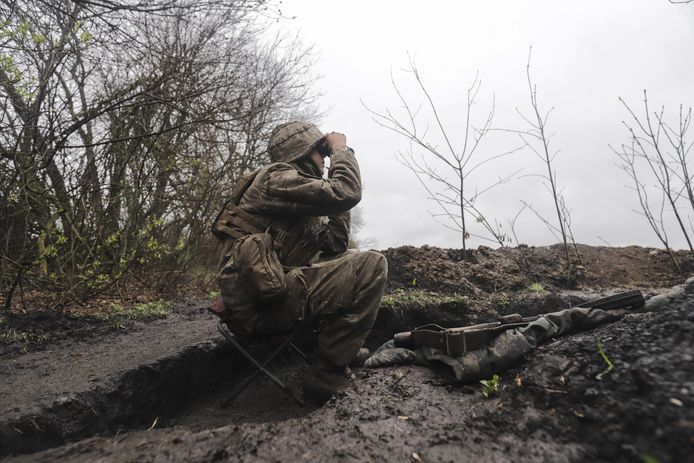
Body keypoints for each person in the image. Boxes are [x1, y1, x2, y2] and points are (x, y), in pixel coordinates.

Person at [213, 121, 388, 404]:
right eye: (322, 150)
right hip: (260, 303)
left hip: (274, 291)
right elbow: (347, 192)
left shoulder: (298, 200)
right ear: (302, 152)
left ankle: (341, 346)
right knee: (373, 265)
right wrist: (342, 151)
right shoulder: (275, 179)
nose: (325, 156)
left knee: (355, 259)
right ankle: (326, 376)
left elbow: (336, 245)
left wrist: (335, 203)